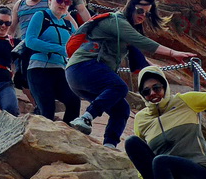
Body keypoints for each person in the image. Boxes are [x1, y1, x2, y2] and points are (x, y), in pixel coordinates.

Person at [66, 10, 195, 148]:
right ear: (130, 8)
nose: (142, 16)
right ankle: (86, 117)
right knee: (119, 87)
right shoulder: (115, 21)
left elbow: (138, 59)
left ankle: (109, 146)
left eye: (146, 14)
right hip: (81, 67)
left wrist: (154, 68)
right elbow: (142, 41)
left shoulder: (126, 35)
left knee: (121, 109)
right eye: (139, 10)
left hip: (82, 75)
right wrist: (172, 53)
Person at [23, 0, 81, 123]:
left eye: (67, 2)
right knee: (47, 110)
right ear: (50, 0)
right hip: (39, 69)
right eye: (59, 0)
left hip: (60, 70)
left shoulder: (67, 24)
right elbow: (30, 41)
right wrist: (59, 49)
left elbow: (78, 43)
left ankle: (66, 135)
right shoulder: (41, 16)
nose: (63, 4)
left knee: (74, 101)